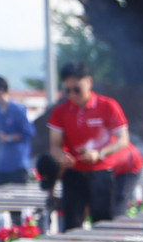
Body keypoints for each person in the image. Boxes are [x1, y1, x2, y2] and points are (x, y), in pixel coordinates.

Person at [47, 61, 132, 227]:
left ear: (89, 82)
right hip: (73, 172)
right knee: (71, 225)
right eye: (67, 90)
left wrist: (99, 153)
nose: (72, 95)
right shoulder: (59, 111)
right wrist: (61, 156)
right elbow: (54, 145)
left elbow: (123, 140)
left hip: (101, 171)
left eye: (77, 89)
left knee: (103, 224)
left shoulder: (108, 106)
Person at [0, 76, 35, 185]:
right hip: (0, 166)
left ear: (0, 91)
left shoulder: (17, 109)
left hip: (17, 165)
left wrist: (8, 137)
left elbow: (28, 132)